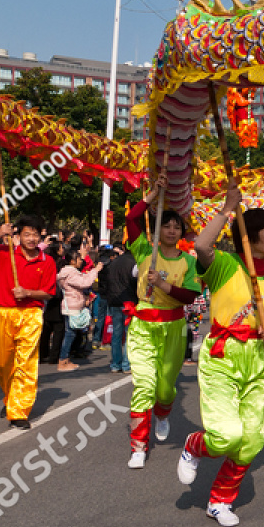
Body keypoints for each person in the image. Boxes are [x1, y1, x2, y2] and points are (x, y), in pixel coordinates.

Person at [177, 182, 264, 527]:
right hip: (223, 357)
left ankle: (220, 501)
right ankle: (195, 445)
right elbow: (201, 244)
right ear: (252, 236)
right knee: (226, 435)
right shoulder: (225, 265)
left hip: (260, 360)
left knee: (252, 440)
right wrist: (229, 207)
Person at [125, 185, 200, 469]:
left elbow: (190, 295)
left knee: (166, 389)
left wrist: (163, 284)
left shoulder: (188, 262)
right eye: (166, 226)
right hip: (144, 325)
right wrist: (150, 198)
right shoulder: (145, 250)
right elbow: (132, 221)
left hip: (174, 327)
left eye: (175, 227)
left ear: (182, 233)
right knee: (143, 386)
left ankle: (163, 413)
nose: (170, 230)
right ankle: (138, 446)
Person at [0, 218, 58, 429]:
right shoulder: (4, 251)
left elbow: (48, 293)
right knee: (3, 364)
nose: (32, 239)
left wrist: (28, 293)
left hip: (31, 314)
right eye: (27, 234)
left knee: (26, 363)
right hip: (4, 313)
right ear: (18, 236)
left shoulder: (47, 261)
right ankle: (11, 396)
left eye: (36, 235)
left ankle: (18, 411)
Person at [56, 244, 101, 372]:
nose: (81, 261)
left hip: (71, 305)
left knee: (71, 332)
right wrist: (95, 270)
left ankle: (66, 359)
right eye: (79, 258)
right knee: (70, 333)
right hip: (72, 306)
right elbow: (84, 283)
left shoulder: (68, 272)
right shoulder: (70, 273)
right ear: (72, 261)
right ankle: (62, 360)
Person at [99, 236, 137, 373]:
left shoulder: (114, 262)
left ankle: (116, 364)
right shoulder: (134, 262)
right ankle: (126, 364)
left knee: (116, 333)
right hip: (129, 303)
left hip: (114, 301)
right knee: (129, 334)